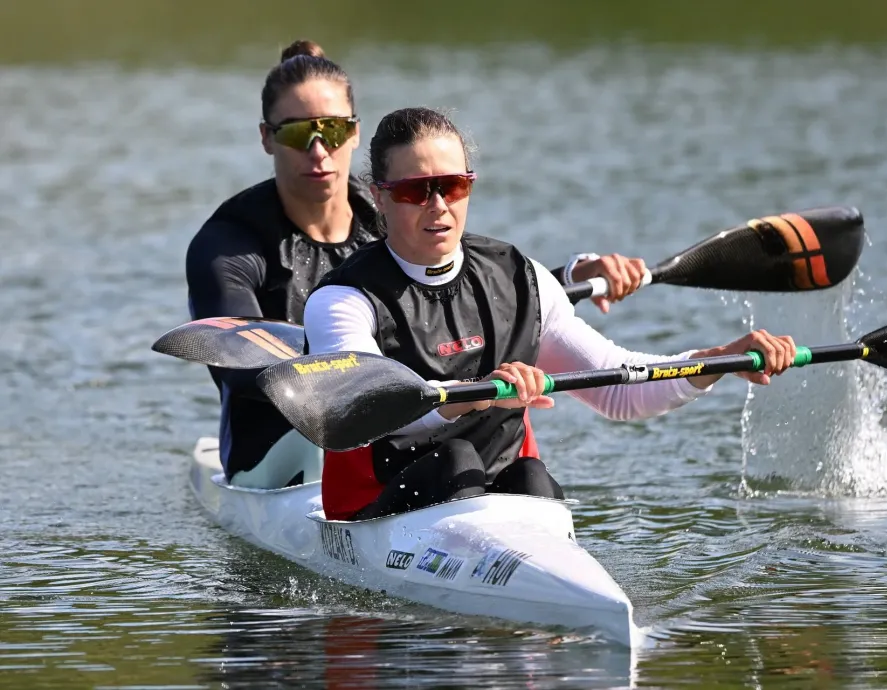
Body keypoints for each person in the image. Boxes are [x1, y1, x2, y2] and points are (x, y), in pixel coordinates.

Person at [185, 41, 653, 490]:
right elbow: (239, 371)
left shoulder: (397, 209)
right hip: (284, 444)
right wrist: (332, 357)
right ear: (267, 138)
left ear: (353, 133)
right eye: (296, 132)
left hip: (411, 433)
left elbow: (462, 294)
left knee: (483, 441)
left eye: (331, 130)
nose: (318, 150)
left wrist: (567, 279)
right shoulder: (227, 246)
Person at [303, 106, 799, 520]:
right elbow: (365, 415)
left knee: (532, 477)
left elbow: (616, 390)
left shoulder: (520, 278)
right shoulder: (343, 300)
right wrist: (470, 399)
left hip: (496, 496)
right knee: (454, 459)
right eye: (415, 191)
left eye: (452, 186)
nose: (438, 206)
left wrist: (720, 360)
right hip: (377, 507)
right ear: (380, 197)